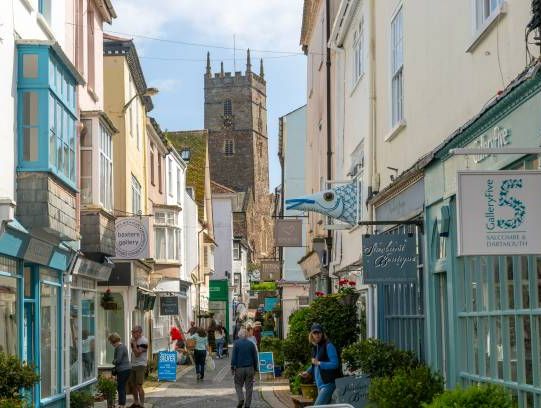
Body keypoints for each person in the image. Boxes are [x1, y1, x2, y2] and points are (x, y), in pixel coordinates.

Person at [300, 323, 340, 406]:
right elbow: (314, 365)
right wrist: (308, 372)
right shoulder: (316, 347)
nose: (317, 335)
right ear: (311, 335)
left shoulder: (329, 345)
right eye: (315, 333)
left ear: (322, 333)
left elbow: (335, 364)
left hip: (328, 384)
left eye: (319, 332)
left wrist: (319, 363)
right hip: (320, 385)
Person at [231, 328, 259, 408]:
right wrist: (255, 368)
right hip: (250, 368)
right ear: (246, 335)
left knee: (238, 384)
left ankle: (241, 398)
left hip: (239, 369)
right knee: (249, 387)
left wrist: (232, 367)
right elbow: (255, 357)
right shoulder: (251, 344)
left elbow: (234, 357)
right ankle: (247, 405)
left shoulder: (236, 343)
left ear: (239, 335)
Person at [108, 333, 131, 408]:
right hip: (125, 369)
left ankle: (121, 404)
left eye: (111, 343)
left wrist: (113, 361)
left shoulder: (120, 347)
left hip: (123, 370)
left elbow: (118, 360)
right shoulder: (121, 347)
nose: (111, 344)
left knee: (120, 387)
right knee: (122, 387)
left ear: (114, 341)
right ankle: (122, 403)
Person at [129, 325, 149, 408]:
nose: (133, 334)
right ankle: (136, 402)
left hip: (141, 364)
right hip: (133, 364)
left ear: (140, 332)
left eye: (134, 332)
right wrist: (133, 343)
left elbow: (137, 354)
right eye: (132, 332)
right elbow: (134, 352)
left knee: (139, 385)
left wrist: (134, 343)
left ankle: (142, 404)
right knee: (133, 385)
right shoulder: (133, 340)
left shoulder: (144, 341)